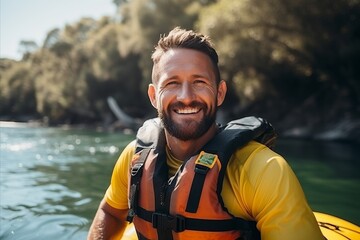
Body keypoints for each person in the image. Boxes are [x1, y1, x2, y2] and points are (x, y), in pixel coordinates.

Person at [88, 27, 324, 240]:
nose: (186, 96)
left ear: (220, 93)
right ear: (153, 96)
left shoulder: (263, 170)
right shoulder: (134, 159)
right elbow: (110, 211)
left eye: (199, 82)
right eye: (172, 83)